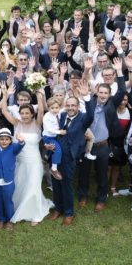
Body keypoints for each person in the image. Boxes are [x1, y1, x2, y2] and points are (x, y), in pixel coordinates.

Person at [0, 84, 53, 226]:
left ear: (32, 114)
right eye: (22, 113)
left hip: (34, 161)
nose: (24, 116)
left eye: (27, 113)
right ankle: (20, 207)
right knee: (21, 185)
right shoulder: (17, 124)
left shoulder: (37, 124)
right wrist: (5, 95)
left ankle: (36, 213)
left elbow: (41, 110)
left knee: (33, 185)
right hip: (20, 161)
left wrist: (38, 93)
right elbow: (4, 110)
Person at [79, 63, 127, 213]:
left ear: (109, 95)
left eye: (106, 93)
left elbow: (123, 90)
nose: (103, 95)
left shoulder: (112, 104)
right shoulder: (90, 102)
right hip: (88, 145)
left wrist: (119, 71)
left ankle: (101, 199)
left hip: (103, 145)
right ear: (97, 92)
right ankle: (83, 196)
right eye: (101, 92)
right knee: (84, 173)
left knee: (102, 174)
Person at [47, 93, 94, 226]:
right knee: (56, 184)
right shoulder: (60, 116)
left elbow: (91, 115)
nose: (70, 108)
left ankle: (69, 212)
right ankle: (58, 208)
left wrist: (87, 98)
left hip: (69, 157)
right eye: (68, 105)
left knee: (66, 184)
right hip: (55, 155)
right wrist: (48, 144)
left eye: (73, 105)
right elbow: (51, 130)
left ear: (78, 107)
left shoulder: (83, 118)